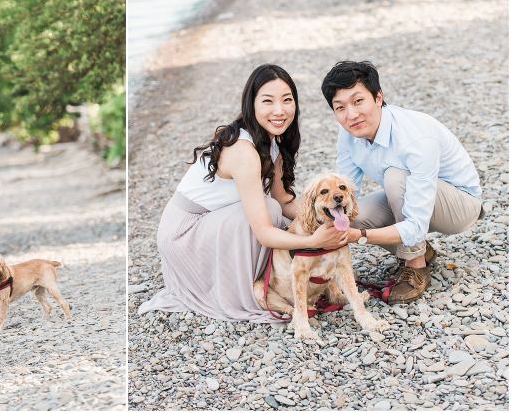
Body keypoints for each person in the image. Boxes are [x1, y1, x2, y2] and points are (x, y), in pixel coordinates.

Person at [138, 64, 348, 321]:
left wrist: (325, 218)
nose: (279, 110)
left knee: (282, 215)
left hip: (216, 221)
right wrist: (313, 241)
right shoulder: (243, 150)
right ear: (252, 104)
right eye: (268, 101)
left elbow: (285, 201)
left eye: (287, 100)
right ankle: (251, 288)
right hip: (185, 233)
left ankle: (280, 276)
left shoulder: (273, 144)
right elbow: (264, 231)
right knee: (270, 214)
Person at [321, 61, 483, 303]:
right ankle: (423, 251)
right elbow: (345, 192)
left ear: (378, 98)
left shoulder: (414, 137)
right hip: (410, 195)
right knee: (349, 214)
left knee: (395, 177)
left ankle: (416, 265)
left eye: (358, 101)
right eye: (340, 107)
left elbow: (416, 223)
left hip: (460, 205)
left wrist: (360, 236)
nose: (351, 115)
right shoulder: (348, 135)